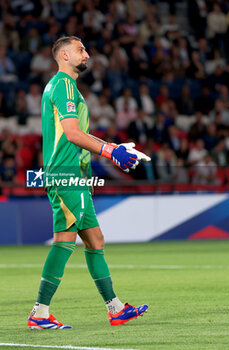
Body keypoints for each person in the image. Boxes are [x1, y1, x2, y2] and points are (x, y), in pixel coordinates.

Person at [27, 36, 148, 330]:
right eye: (81, 50)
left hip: (70, 173)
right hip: (64, 174)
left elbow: (73, 135)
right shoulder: (64, 86)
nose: (88, 54)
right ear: (65, 55)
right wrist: (110, 150)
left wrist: (88, 165)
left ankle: (116, 308)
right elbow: (71, 133)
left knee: (94, 240)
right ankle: (40, 313)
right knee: (65, 241)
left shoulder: (60, 87)